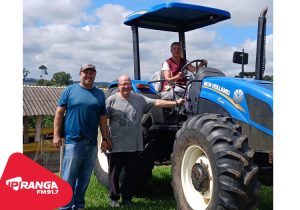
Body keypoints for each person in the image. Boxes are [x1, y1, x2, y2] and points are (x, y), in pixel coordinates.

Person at [102, 75, 184, 208]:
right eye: (123, 84)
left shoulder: (139, 98)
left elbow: (156, 103)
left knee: (131, 173)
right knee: (114, 173)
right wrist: (105, 138)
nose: (126, 86)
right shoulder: (111, 100)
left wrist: (175, 103)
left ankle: (127, 198)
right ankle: (114, 198)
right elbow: (102, 119)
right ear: (119, 86)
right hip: (116, 144)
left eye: (128, 84)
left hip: (133, 144)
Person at [53, 63, 109, 210]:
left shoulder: (99, 94)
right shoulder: (70, 90)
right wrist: (56, 135)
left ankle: (79, 205)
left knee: (84, 178)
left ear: (95, 75)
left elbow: (102, 117)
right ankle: (65, 207)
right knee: (68, 177)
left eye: (92, 73)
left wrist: (105, 138)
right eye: (86, 72)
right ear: (80, 74)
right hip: (73, 142)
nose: (89, 75)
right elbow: (59, 113)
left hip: (91, 143)